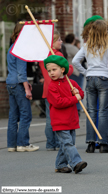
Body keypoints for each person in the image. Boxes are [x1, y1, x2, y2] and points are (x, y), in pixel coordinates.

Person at [72, 20, 108, 153]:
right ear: (105, 31)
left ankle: (90, 143)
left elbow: (75, 61)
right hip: (104, 77)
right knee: (103, 111)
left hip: (90, 78)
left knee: (91, 111)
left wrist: (86, 72)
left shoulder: (87, 46)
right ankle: (103, 143)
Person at [44, 55, 87, 173]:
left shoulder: (71, 82)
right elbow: (58, 102)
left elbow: (81, 94)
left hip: (71, 119)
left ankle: (60, 164)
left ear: (62, 70)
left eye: (54, 69)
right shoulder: (52, 86)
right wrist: (75, 98)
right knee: (67, 143)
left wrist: (77, 92)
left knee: (68, 143)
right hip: (59, 120)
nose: (51, 73)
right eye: (49, 71)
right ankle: (76, 162)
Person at [6, 22, 39, 152]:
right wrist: (26, 88)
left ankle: (11, 145)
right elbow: (21, 72)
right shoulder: (21, 48)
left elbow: (14, 69)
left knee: (13, 115)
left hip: (10, 83)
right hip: (18, 84)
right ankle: (23, 144)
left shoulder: (12, 47)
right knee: (26, 115)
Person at [39, 30, 73, 151]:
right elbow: (67, 70)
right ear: (52, 42)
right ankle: (59, 143)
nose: (61, 42)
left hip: (47, 89)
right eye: (58, 40)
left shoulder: (42, 55)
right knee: (59, 118)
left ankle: (50, 144)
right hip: (58, 88)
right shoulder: (58, 54)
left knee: (50, 117)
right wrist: (71, 67)